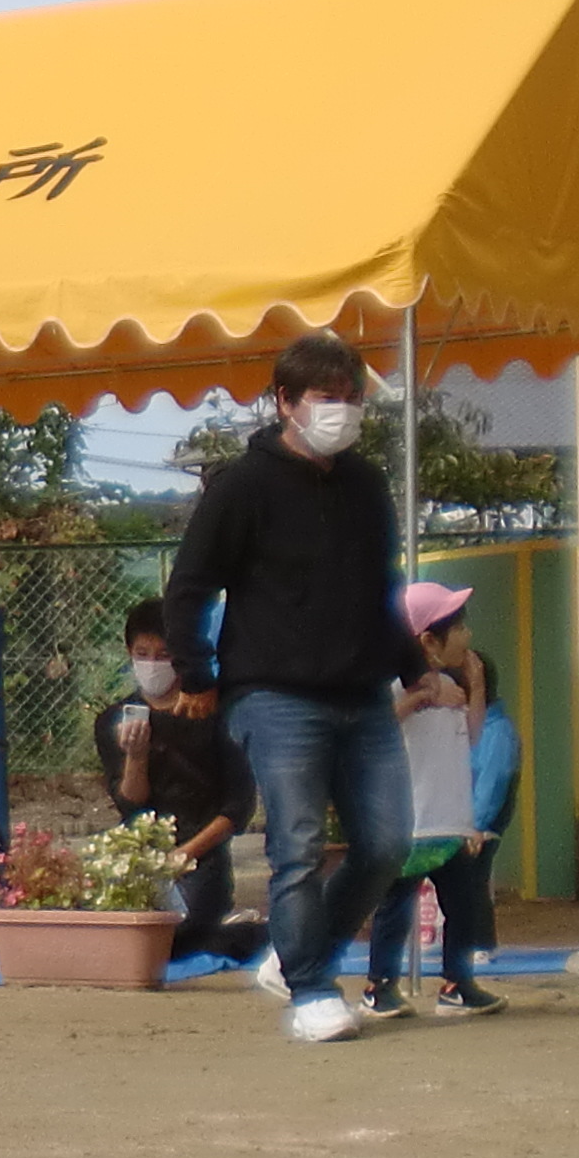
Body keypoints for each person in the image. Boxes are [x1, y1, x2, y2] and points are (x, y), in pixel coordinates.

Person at [158, 332, 443, 1043]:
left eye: (351, 399)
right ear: (284, 401)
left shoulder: (367, 486)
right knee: (299, 844)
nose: (341, 412)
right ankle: (313, 990)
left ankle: (293, 956)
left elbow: (383, 588)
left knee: (385, 844)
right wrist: (197, 674)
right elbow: (191, 584)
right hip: (273, 695)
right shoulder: (242, 487)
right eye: (325, 399)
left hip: (363, 693)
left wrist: (415, 667)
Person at [362, 585, 513, 1020]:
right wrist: (419, 697)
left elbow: (473, 734)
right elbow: (376, 729)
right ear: (428, 640)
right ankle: (380, 986)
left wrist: (477, 685)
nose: (467, 636)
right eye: (459, 627)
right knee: (395, 905)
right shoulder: (391, 684)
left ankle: (457, 983)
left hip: (451, 821)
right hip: (409, 822)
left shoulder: (453, 684)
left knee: (464, 905)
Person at [107, 597, 265, 964]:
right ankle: (225, 932)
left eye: (162, 655)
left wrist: (183, 854)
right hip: (141, 852)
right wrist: (136, 754)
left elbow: (238, 807)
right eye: (142, 654)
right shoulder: (117, 720)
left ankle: (245, 931)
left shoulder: (218, 714)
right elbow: (131, 803)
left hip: (198, 858)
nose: (151, 664)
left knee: (176, 941)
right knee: (116, 933)